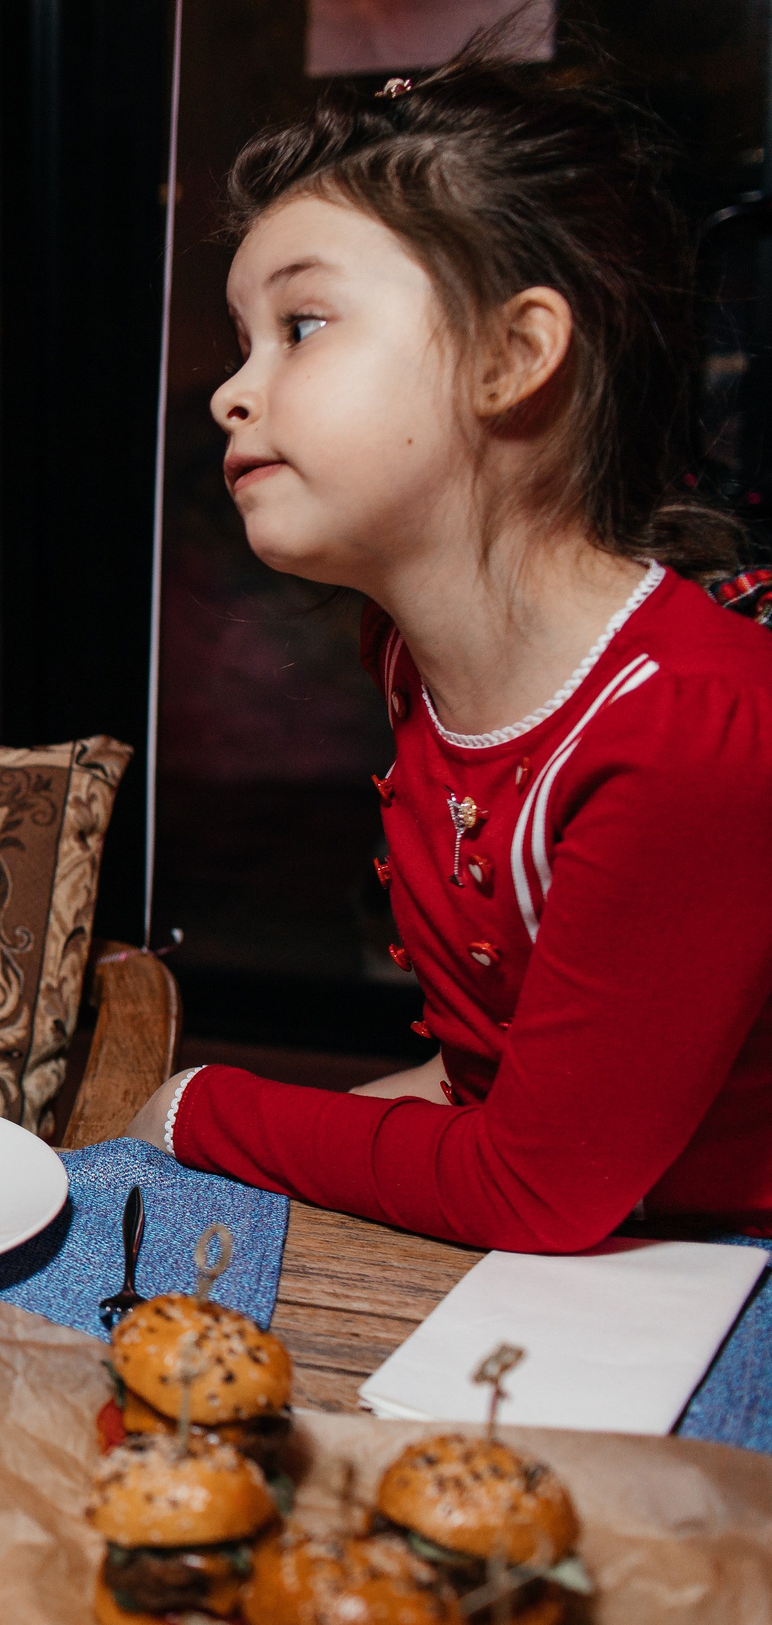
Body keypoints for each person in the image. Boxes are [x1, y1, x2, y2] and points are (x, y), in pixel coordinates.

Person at [129, 46, 772, 1250]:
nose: (230, 391)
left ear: (510, 357)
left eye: (300, 326)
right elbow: (484, 1087)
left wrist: (194, 1108)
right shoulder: (410, 666)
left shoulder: (689, 726)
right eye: (242, 340)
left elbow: (534, 1187)